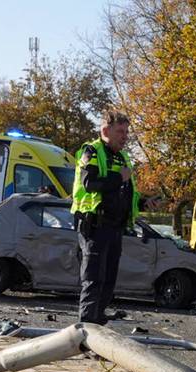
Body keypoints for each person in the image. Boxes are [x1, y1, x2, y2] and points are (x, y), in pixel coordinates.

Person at [71, 110, 138, 325]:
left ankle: (97, 321)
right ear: (105, 131)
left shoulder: (122, 157)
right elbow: (90, 184)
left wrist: (144, 202)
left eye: (126, 132)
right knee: (93, 278)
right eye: (120, 131)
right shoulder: (91, 151)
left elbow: (124, 192)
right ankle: (86, 327)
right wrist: (119, 178)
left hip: (115, 227)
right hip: (95, 225)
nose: (125, 136)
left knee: (109, 279)